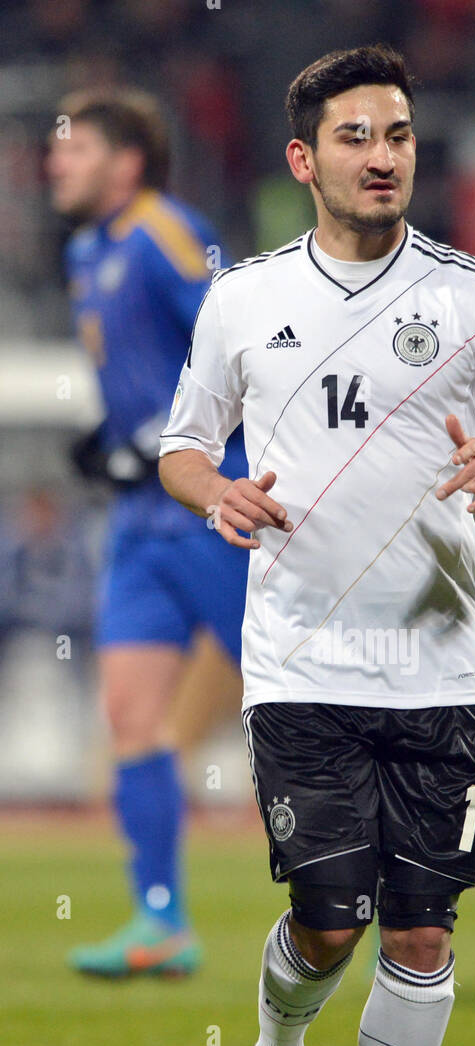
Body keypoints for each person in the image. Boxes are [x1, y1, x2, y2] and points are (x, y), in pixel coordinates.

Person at [159, 44, 475, 1046]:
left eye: (398, 135)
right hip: (299, 660)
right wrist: (216, 491)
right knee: (328, 917)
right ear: (305, 159)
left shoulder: (473, 299)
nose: (382, 156)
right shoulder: (243, 298)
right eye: (356, 137)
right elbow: (181, 443)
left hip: (443, 672)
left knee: (418, 925)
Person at [47, 89, 249, 978]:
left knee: (311, 704)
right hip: (138, 522)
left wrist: (175, 448)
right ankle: (160, 919)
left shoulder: (167, 230)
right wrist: (114, 442)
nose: (56, 162)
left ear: (126, 163)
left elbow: (251, 345)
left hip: (218, 506)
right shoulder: (85, 249)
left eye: (76, 148)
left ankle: (402, 885)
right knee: (131, 714)